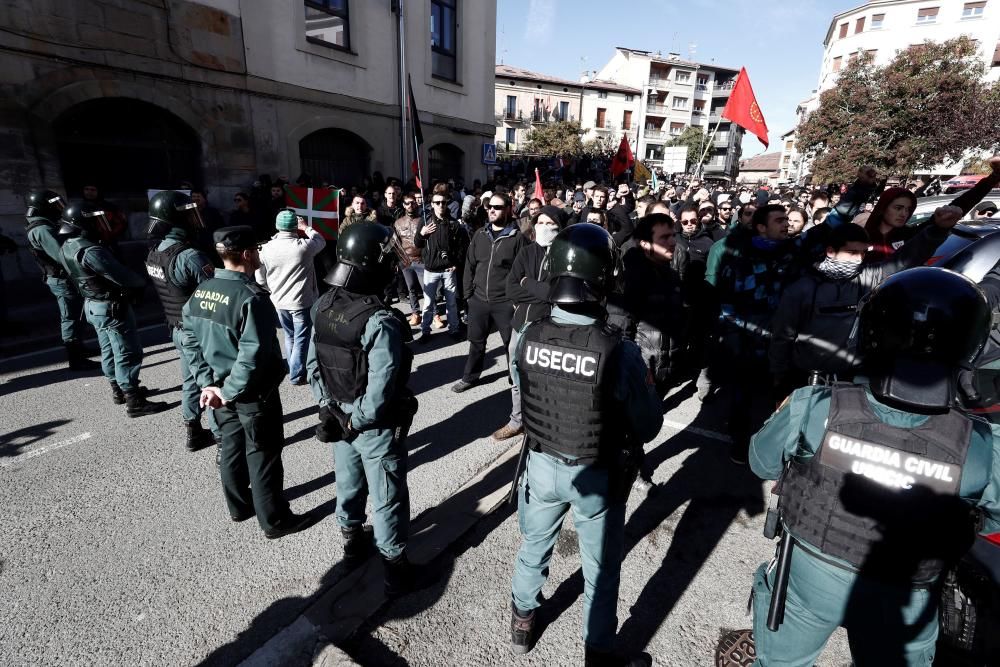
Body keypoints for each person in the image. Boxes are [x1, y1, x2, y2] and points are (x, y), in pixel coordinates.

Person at [718, 267, 1000, 667]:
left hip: (809, 574)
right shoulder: (982, 444)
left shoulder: (816, 406)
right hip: (906, 594)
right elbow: (990, 521)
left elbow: (761, 461)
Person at [507, 223, 663, 667]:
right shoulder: (619, 351)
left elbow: (521, 388)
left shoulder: (526, 335)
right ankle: (598, 652)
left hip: (540, 462)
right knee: (599, 567)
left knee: (533, 544)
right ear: (604, 279)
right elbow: (649, 424)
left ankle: (522, 623)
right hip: (595, 471)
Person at [182, 226, 314, 539]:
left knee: (231, 447)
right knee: (263, 454)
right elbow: (252, 355)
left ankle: (239, 507)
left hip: (217, 389)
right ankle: (275, 520)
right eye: (255, 249)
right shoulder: (251, 298)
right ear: (246, 255)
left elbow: (188, 339)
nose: (258, 254)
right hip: (253, 394)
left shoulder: (201, 291)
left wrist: (208, 385)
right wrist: (227, 391)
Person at [308, 222, 419, 594]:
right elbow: (381, 386)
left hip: (339, 416)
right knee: (387, 494)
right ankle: (395, 567)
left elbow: (313, 365)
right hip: (371, 424)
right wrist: (356, 419)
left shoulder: (323, 304)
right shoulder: (381, 320)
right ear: (374, 263)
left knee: (348, 481)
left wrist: (329, 409)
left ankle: (352, 540)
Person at [769, 206, 961, 401]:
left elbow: (904, 260)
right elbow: (783, 336)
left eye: (863, 253)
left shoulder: (869, 275)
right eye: (851, 252)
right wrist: (779, 377)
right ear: (830, 251)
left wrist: (938, 230)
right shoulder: (803, 288)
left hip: (852, 380)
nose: (858, 259)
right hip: (809, 379)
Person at [60, 203, 167, 416]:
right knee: (126, 351)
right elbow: (122, 276)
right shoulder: (91, 250)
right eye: (95, 220)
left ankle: (118, 389)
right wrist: (142, 282)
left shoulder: (67, 246)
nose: (101, 224)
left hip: (93, 305)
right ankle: (133, 400)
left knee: (108, 349)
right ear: (83, 224)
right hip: (110, 306)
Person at [145, 190, 219, 450]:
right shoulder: (189, 256)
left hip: (176, 327)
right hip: (197, 331)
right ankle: (223, 440)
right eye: (188, 213)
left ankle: (193, 429)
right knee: (211, 382)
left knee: (191, 380)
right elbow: (216, 294)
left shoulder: (155, 252)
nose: (194, 217)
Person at [495, 205, 566, 442]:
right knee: (515, 373)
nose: (543, 228)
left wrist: (527, 283)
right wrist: (532, 287)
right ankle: (518, 420)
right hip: (520, 324)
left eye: (549, 223)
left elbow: (554, 292)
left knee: (544, 378)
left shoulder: (564, 255)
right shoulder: (526, 252)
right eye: (540, 223)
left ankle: (543, 424)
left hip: (547, 326)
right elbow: (510, 288)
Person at [453, 193, 527, 393]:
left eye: (497, 207)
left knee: (510, 345)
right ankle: (470, 377)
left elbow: (523, 272)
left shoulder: (517, 238)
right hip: (478, 300)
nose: (492, 210)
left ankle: (515, 379)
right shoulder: (479, 235)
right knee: (476, 342)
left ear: (508, 210)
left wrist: (516, 300)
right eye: (489, 206)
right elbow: (469, 265)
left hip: (505, 302)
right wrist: (468, 295)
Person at [23, 189, 95, 371]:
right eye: (54, 205)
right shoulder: (42, 229)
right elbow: (61, 255)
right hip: (60, 278)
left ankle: (80, 348)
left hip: (62, 277)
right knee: (69, 316)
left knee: (76, 314)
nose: (58, 208)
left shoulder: (44, 225)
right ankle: (75, 357)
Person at [256, 210, 327, 385]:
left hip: (278, 300)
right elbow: (321, 240)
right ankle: (296, 374)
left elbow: (259, 278)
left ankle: (293, 367)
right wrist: (306, 227)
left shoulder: (265, 248)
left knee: (290, 336)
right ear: (295, 226)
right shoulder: (304, 246)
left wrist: (269, 289)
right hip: (301, 300)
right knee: (302, 336)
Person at [414, 186, 465, 342]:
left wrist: (456, 263)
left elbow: (462, 247)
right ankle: (425, 332)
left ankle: (454, 329)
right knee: (428, 304)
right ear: (432, 204)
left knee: (451, 303)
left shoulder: (453, 224)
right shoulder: (426, 221)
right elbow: (417, 243)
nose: (441, 205)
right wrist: (422, 234)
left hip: (448, 270)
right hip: (430, 270)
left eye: (443, 202)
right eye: (437, 203)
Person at [395, 193, 425, 326]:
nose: (410, 205)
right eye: (407, 203)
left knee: (427, 289)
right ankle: (415, 313)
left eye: (412, 202)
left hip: (421, 260)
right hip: (406, 261)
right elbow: (396, 243)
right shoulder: (398, 222)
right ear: (403, 205)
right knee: (411, 289)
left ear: (417, 203)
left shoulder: (423, 220)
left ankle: (434, 313)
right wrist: (398, 261)